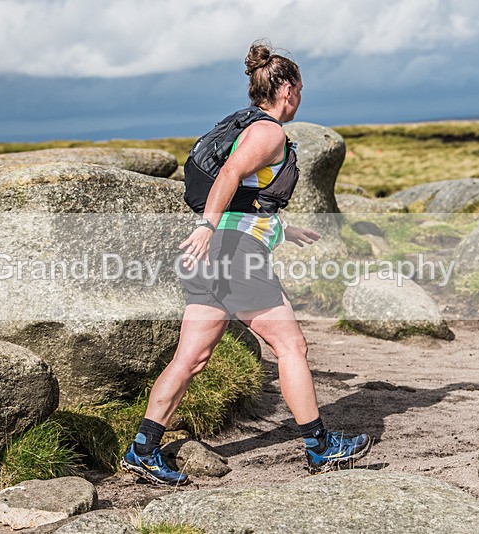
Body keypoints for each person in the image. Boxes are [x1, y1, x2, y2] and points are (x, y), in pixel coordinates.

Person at [120, 41, 371, 486]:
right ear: (288, 89)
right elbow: (230, 175)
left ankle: (142, 449)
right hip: (231, 255)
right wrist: (206, 227)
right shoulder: (268, 131)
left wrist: (280, 230)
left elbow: (247, 201)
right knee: (292, 347)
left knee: (190, 358)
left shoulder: (244, 125)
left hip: (214, 257)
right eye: (301, 90)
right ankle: (319, 447)